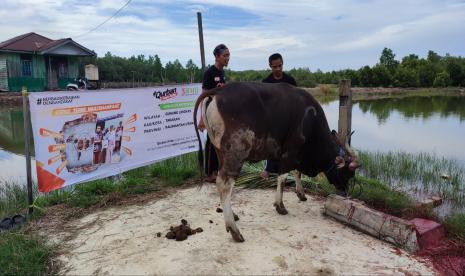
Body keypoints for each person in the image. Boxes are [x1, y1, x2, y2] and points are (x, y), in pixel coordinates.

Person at [260, 53, 297, 179]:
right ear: (270, 66)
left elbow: (296, 101)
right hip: (272, 121)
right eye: (274, 67)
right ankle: (268, 169)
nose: (278, 69)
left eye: (280, 66)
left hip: (288, 120)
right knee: (271, 145)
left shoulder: (290, 81)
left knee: (287, 145)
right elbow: (263, 104)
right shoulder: (266, 82)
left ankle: (286, 171)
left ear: (283, 64)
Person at [198, 44, 230, 183]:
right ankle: (210, 173)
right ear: (217, 56)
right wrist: (201, 117)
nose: (227, 58)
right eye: (225, 55)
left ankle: (218, 170)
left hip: (220, 111)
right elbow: (204, 95)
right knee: (211, 142)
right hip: (209, 111)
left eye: (228, 55)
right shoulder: (209, 73)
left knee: (219, 140)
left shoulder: (222, 73)